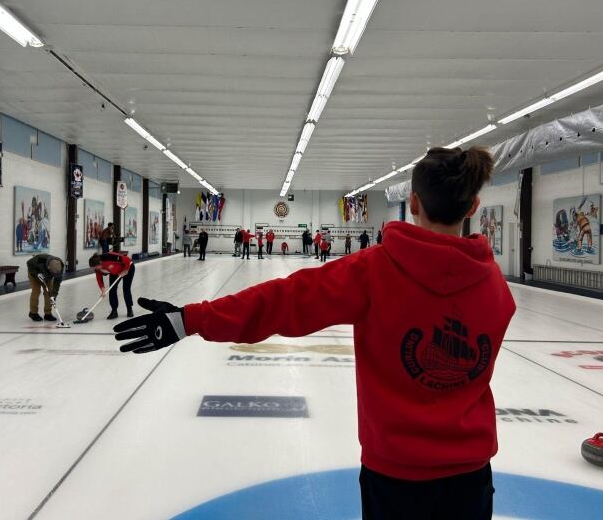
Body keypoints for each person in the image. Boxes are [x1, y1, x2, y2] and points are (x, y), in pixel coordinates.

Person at [112, 146, 515, 520]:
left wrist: (192, 318)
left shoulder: (375, 271)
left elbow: (282, 301)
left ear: (412, 203)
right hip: (471, 476)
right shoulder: (494, 286)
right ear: (473, 206)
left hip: (395, 475)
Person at [89, 251, 135, 319]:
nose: (95, 269)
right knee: (112, 290)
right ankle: (114, 311)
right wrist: (103, 290)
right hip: (115, 272)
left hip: (128, 267)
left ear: (100, 263)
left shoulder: (109, 257)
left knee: (126, 289)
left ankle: (129, 309)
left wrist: (126, 270)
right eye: (94, 268)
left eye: (95, 267)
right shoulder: (97, 269)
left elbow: (127, 259)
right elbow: (99, 279)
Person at [26, 254, 64, 322]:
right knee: (36, 291)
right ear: (48, 267)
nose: (55, 276)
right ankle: (33, 313)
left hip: (47, 277)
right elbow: (29, 263)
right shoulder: (40, 260)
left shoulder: (60, 266)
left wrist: (54, 295)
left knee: (50, 293)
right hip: (34, 275)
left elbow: (57, 283)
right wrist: (37, 273)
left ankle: (48, 314)